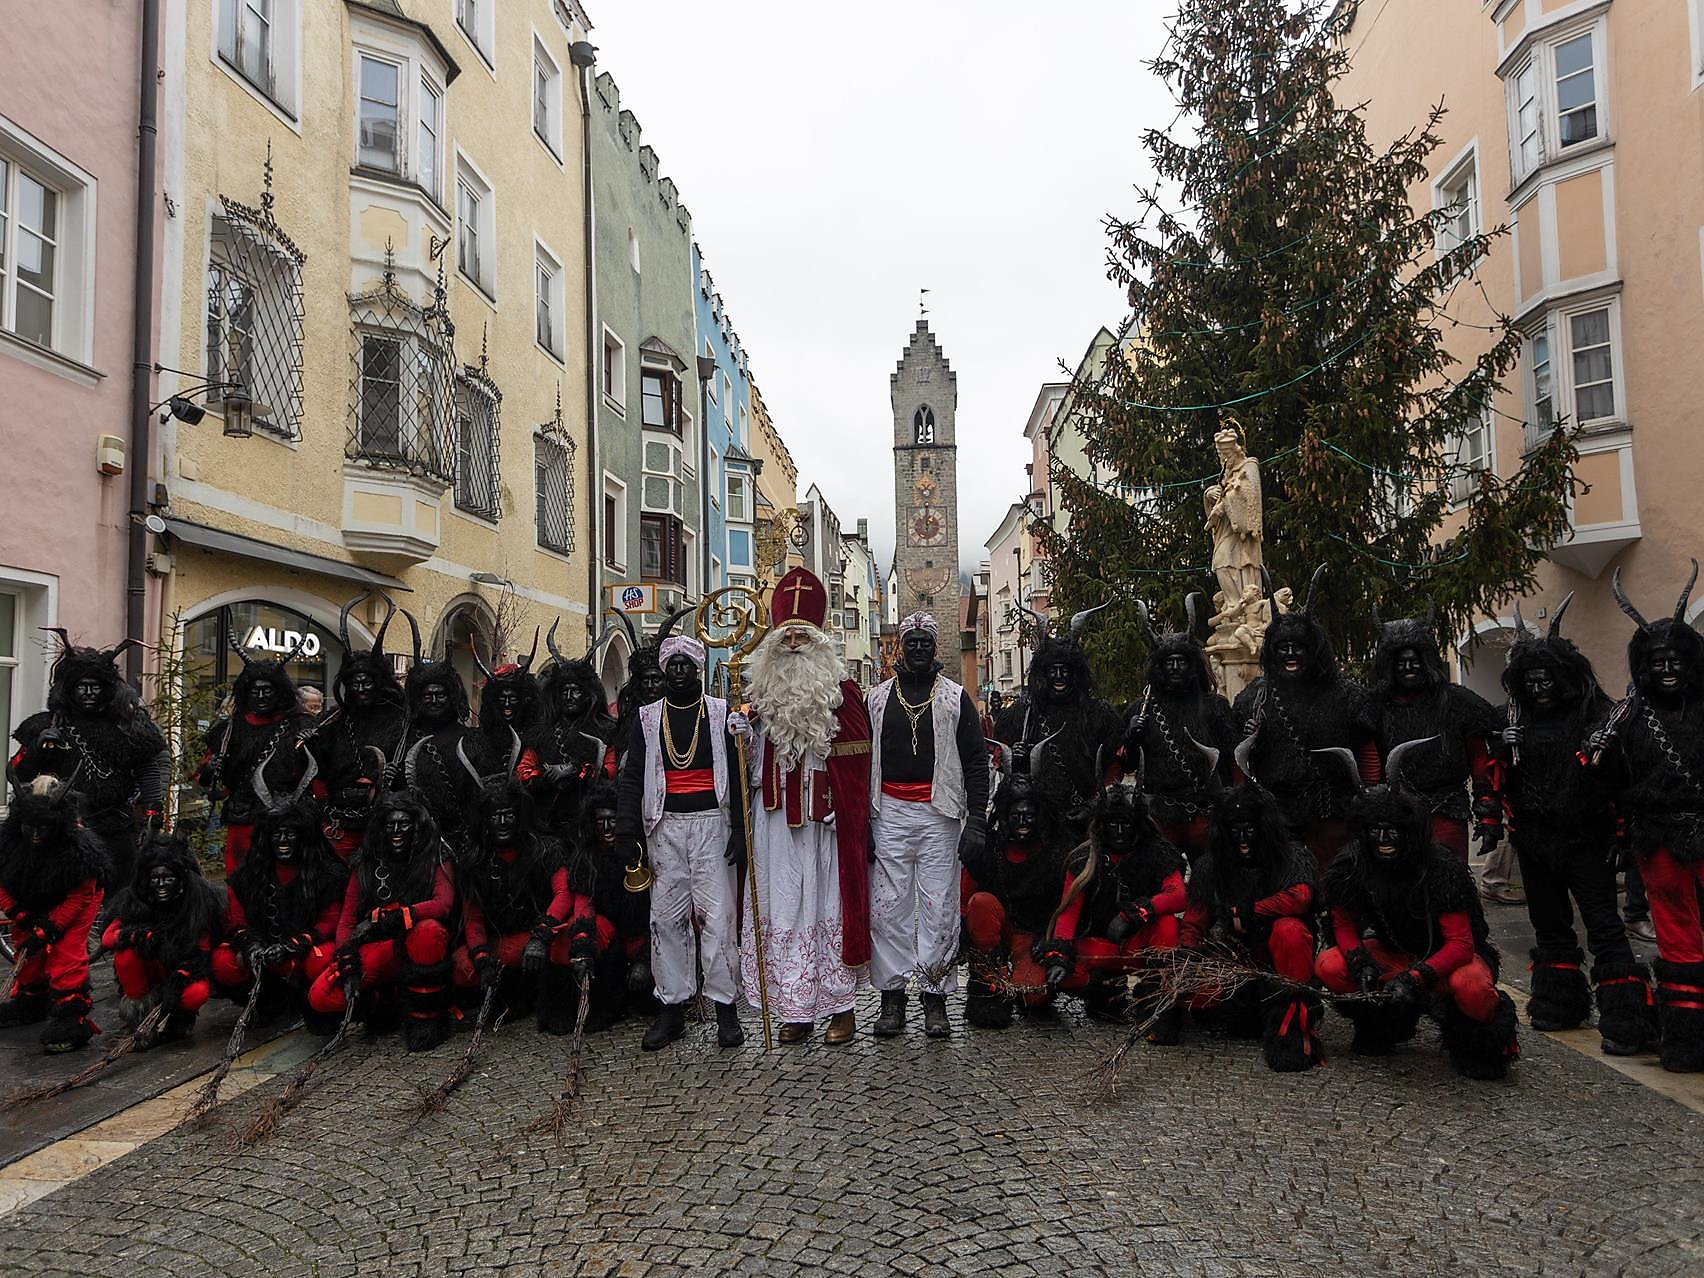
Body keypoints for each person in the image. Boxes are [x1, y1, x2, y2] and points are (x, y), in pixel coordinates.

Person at [1495, 597, 1659, 1055]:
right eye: (1531, 681)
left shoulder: (1595, 715)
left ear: (1564, 677)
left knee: (1604, 925)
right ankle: (1559, 1002)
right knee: (1549, 925)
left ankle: (1627, 1019)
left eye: (1546, 679)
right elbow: (1505, 778)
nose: (1539, 688)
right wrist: (1502, 747)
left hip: (1587, 838)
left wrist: (1600, 754)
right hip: (1535, 840)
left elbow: (1621, 778)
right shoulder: (1514, 721)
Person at [736, 567, 873, 1045]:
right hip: (774, 820)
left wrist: (845, 806)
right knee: (784, 907)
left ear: (819, 639)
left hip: (823, 822)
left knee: (825, 906)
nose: (794, 644)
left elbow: (858, 761)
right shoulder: (759, 695)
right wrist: (743, 740)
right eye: (786, 636)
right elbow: (750, 768)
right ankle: (794, 1008)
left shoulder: (843, 692)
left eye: (803, 636)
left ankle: (840, 1009)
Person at [1316, 777, 1519, 1080]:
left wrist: (1414, 978)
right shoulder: (1351, 865)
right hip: (1393, 954)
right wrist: (1360, 964)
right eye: (1374, 831)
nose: (1383, 839)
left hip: (1449, 960)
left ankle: (1479, 1044)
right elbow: (1343, 924)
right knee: (1330, 965)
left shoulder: (1441, 869)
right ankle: (1382, 1025)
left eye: (1392, 831)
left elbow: (1461, 944)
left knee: (1472, 987)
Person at [1598, 564, 1704, 1071]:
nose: (1666, 669)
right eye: (1657, 661)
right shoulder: (1630, 714)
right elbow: (1604, 772)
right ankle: (1686, 1038)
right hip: (1658, 838)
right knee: (1677, 935)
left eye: (1675, 660)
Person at [615, 635, 745, 1051]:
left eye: (685, 664)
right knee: (665, 920)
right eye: (671, 665)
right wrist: (626, 830)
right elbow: (632, 777)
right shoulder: (647, 718)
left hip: (712, 826)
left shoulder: (721, 713)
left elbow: (739, 774)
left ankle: (725, 1009)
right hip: (664, 827)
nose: (677, 672)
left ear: (698, 669)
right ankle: (671, 1009)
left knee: (717, 920)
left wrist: (740, 830)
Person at [866, 612, 989, 1039]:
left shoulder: (955, 698)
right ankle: (892, 997)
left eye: (925, 643)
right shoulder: (877, 700)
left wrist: (977, 820)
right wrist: (863, 821)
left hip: (940, 815)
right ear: (900, 648)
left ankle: (935, 996)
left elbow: (976, 762)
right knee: (888, 909)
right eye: (911, 642)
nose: (918, 649)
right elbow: (862, 762)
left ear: (935, 648)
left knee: (939, 907)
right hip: (889, 812)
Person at [1232, 569, 1375, 871]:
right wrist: (1250, 739)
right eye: (1282, 648)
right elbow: (1241, 762)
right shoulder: (1254, 698)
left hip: (1331, 811)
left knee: (1332, 879)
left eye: (1298, 647)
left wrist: (1370, 794)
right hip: (1277, 813)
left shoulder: (1347, 695)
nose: (1290, 654)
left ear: (1314, 651)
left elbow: (1366, 749)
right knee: (1285, 882)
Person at [1179, 784, 1321, 1071]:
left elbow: (1301, 897)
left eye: (1250, 831)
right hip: (1238, 961)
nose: (1243, 839)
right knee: (1202, 999)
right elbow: (1195, 919)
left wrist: (1252, 909)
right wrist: (1185, 958)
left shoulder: (1291, 857)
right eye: (1236, 831)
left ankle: (1293, 1020)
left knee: (1290, 930)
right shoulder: (1212, 865)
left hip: (1280, 961)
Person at [9, 631, 167, 887]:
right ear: (69, 689)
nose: (89, 692)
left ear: (107, 689)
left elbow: (148, 769)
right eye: (82, 686)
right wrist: (38, 748)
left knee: (119, 893)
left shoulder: (127, 726)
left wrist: (152, 811)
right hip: (65, 831)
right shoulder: (47, 725)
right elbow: (18, 773)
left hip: (117, 826)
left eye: (96, 686)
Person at [307, 791, 457, 1052]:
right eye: (390, 825)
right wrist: (348, 962)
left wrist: (403, 915)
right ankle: (388, 1004)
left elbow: (443, 903)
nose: (397, 831)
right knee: (321, 996)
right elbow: (346, 922)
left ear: (416, 826)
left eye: (404, 824)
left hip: (418, 943)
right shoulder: (365, 863)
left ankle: (427, 1021)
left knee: (429, 932)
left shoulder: (436, 855)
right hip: (382, 946)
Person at [451, 770, 597, 1034]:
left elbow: (563, 894)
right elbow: (473, 918)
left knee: (565, 946)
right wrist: (482, 960)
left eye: (508, 815)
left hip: (541, 936)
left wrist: (541, 934)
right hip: (501, 943)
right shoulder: (474, 862)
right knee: (462, 966)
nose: (502, 823)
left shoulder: (545, 849)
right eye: (495, 817)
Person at [1036, 783, 1185, 1036]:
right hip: (1099, 947)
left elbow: (1178, 895)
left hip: (1140, 947)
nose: (1119, 832)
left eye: (1126, 825)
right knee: (1056, 974)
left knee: (1167, 924)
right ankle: (1104, 991)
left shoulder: (1157, 852)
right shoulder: (1083, 859)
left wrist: (1136, 913)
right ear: (1102, 825)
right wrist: (1058, 956)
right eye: (1113, 824)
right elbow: (1068, 914)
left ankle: (1157, 995)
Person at [1363, 608, 1501, 862]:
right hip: (1396, 813)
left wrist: (1488, 813)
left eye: (1414, 661)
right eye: (1401, 663)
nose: (1408, 667)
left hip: (1447, 809)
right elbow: (1369, 763)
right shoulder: (1376, 706)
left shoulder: (1457, 702)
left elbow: (1480, 760)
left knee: (1450, 875)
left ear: (1426, 661)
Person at [213, 775, 347, 1030]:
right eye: (277, 834)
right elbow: (236, 920)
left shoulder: (325, 875)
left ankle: (314, 1001)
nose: (283, 841)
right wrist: (251, 945)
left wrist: (294, 945)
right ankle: (265, 1000)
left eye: (290, 834)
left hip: (304, 953)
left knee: (323, 958)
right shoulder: (247, 877)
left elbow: (330, 921)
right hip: (264, 954)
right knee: (223, 961)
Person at [1120, 594, 1237, 863]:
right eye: (1168, 662)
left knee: (1209, 875)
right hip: (1159, 812)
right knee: (1162, 877)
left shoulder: (1214, 707)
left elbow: (1231, 760)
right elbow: (1127, 765)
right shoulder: (1142, 709)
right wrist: (1132, 735)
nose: (1174, 668)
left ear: (1192, 666)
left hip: (1204, 812)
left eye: (1181, 661)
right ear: (1159, 667)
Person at [0, 774, 111, 1052]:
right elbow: (2, 884)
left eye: (44, 828)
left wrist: (48, 929)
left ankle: (72, 1017)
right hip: (29, 900)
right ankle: (31, 1002)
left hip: (75, 900)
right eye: (30, 827)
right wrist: (19, 914)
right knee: (27, 952)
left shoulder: (77, 850)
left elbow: (80, 896)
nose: (36, 835)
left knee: (67, 953)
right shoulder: (8, 843)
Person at [992, 604, 1122, 834]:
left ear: (1076, 674)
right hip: (1037, 824)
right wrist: (1016, 759)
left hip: (1086, 821)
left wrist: (1094, 806)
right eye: (1053, 670)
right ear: (1043, 674)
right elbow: (1005, 770)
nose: (1059, 677)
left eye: (1065, 670)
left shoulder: (1098, 715)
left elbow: (1114, 767)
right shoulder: (1023, 713)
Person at [960, 766, 1069, 1029]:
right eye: (1016, 816)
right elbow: (965, 899)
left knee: (1034, 994)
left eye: (1028, 816)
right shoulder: (990, 847)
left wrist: (1050, 940)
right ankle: (990, 980)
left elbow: (1067, 907)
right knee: (981, 903)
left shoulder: (1056, 852)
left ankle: (1022, 984)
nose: (1022, 822)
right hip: (998, 927)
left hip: (1033, 935)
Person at [198, 632, 313, 879]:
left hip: (285, 822)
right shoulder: (228, 730)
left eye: (267, 691)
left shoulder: (301, 725)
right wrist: (210, 769)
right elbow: (205, 776)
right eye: (255, 691)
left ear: (279, 692)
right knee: (240, 878)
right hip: (243, 818)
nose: (260, 697)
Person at [307, 593, 406, 861]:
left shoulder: (400, 720)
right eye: (355, 683)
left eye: (367, 683)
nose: (361, 688)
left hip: (385, 822)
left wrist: (394, 776)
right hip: (340, 820)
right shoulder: (332, 722)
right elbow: (316, 769)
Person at [101, 831, 222, 1048]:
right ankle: (139, 1017)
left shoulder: (197, 903)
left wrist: (180, 978)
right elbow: (109, 938)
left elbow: (202, 950)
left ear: (180, 880)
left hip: (180, 968)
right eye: (155, 879)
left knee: (195, 993)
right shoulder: (135, 900)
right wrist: (138, 936)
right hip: (149, 970)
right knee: (125, 955)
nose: (161, 884)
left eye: (168, 878)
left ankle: (180, 1019)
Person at [527, 619, 619, 838]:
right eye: (564, 691)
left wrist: (576, 770)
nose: (569, 696)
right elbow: (525, 770)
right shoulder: (540, 732)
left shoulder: (606, 730)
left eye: (575, 691)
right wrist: (545, 776)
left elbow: (611, 769)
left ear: (587, 695)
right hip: (547, 824)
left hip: (589, 826)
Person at [577, 779, 655, 1029]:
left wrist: (645, 960)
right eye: (600, 821)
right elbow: (583, 906)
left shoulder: (643, 854)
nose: (607, 827)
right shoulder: (587, 860)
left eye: (613, 820)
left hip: (645, 936)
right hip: (611, 940)